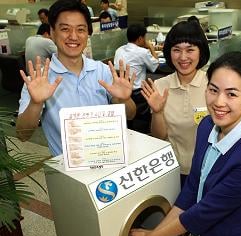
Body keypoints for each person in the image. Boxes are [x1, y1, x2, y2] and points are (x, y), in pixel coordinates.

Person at [130, 51, 241, 236]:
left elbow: (203, 213)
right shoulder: (206, 126)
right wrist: (157, 232)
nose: (219, 102)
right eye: (213, 90)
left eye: (231, 94)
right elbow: (192, 187)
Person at [16, 0, 136, 157]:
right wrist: (35, 103)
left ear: (88, 33)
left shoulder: (103, 71)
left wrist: (124, 100)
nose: (73, 36)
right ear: (52, 32)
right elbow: (22, 135)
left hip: (107, 159)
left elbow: (131, 114)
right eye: (65, 29)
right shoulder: (39, 81)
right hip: (67, 172)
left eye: (80, 29)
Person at [141, 20, 209, 185]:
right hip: (171, 169)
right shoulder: (159, 86)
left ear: (201, 52)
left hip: (206, 171)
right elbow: (159, 136)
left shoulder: (213, 85)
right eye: (176, 50)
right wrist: (157, 112)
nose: (183, 57)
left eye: (190, 50)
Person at [114, 23, 158, 133]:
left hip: (120, 95)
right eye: (145, 38)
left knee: (127, 127)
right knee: (142, 128)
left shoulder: (119, 50)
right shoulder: (142, 52)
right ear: (140, 38)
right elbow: (155, 66)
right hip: (138, 96)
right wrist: (151, 47)